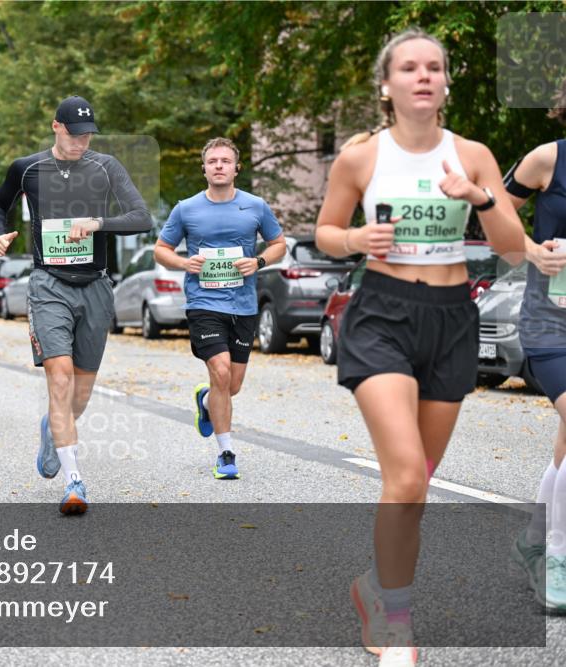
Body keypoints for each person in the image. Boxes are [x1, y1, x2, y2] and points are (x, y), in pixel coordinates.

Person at [314, 29, 525, 666]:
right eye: (410, 67)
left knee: (417, 486)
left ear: (445, 84)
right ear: (388, 86)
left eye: (434, 67)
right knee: (404, 475)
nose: (424, 76)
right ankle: (396, 625)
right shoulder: (360, 157)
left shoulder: (473, 155)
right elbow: (326, 231)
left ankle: (376, 590)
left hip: (450, 318)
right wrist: (356, 242)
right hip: (381, 314)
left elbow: (514, 248)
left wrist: (479, 197)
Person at [0, 95, 152, 514]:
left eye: (88, 135)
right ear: (56, 127)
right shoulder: (27, 168)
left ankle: (52, 427)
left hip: (95, 287)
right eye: (75, 134)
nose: (82, 142)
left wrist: (98, 223)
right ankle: (74, 481)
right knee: (58, 381)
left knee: (79, 394)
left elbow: (141, 217)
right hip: (48, 285)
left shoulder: (105, 167)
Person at [154, 138, 286, 479]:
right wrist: (185, 263)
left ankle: (206, 399)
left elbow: (279, 245)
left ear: (236, 167)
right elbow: (160, 250)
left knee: (232, 385)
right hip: (203, 303)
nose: (219, 166)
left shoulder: (255, 206)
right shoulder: (186, 208)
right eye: (212, 161)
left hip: (243, 305)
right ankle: (226, 453)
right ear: (204, 167)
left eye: (225, 161)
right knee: (222, 372)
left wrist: (257, 261)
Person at [505, 85, 566, 611]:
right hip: (552, 321)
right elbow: (496, 214)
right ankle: (559, 559)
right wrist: (531, 252)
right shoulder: (548, 158)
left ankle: (533, 540)